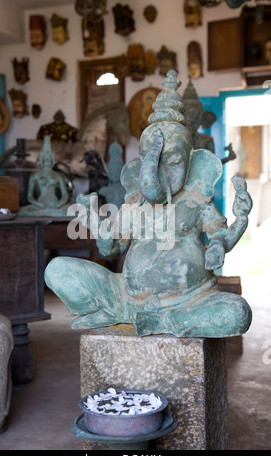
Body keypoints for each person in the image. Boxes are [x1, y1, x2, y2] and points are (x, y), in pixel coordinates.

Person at [45, 70, 252, 338]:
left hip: (190, 299)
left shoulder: (196, 202)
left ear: (192, 165)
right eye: (152, 161)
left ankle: (166, 321)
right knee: (56, 270)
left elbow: (220, 239)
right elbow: (112, 248)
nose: (160, 171)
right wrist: (93, 221)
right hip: (127, 297)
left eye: (174, 162)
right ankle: (125, 311)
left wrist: (240, 222)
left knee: (237, 313)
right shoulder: (134, 203)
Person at [19, 135, 72, 217]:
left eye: (49, 158)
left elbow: (65, 194)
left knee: (72, 211)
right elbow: (30, 196)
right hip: (40, 204)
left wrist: (59, 203)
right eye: (45, 158)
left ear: (52, 160)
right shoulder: (35, 175)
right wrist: (38, 204)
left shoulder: (58, 175)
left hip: (55, 204)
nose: (47, 160)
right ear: (41, 159)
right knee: (22, 211)